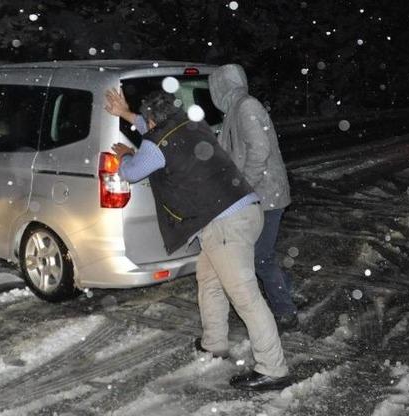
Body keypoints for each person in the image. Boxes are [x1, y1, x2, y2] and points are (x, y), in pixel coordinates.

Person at [105, 87, 290, 391]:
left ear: (153, 121)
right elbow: (151, 129)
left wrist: (126, 154)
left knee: (246, 299)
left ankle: (273, 368)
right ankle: (214, 342)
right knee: (210, 280)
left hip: (224, 225)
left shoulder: (156, 143)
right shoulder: (192, 126)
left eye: (146, 123)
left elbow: (133, 172)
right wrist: (126, 114)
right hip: (245, 211)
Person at [208, 64, 299, 331]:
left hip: (265, 195)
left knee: (260, 257)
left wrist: (244, 186)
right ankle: (284, 294)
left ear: (220, 86)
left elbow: (260, 151)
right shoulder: (235, 110)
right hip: (259, 196)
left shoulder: (246, 107)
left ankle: (285, 311)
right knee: (259, 255)